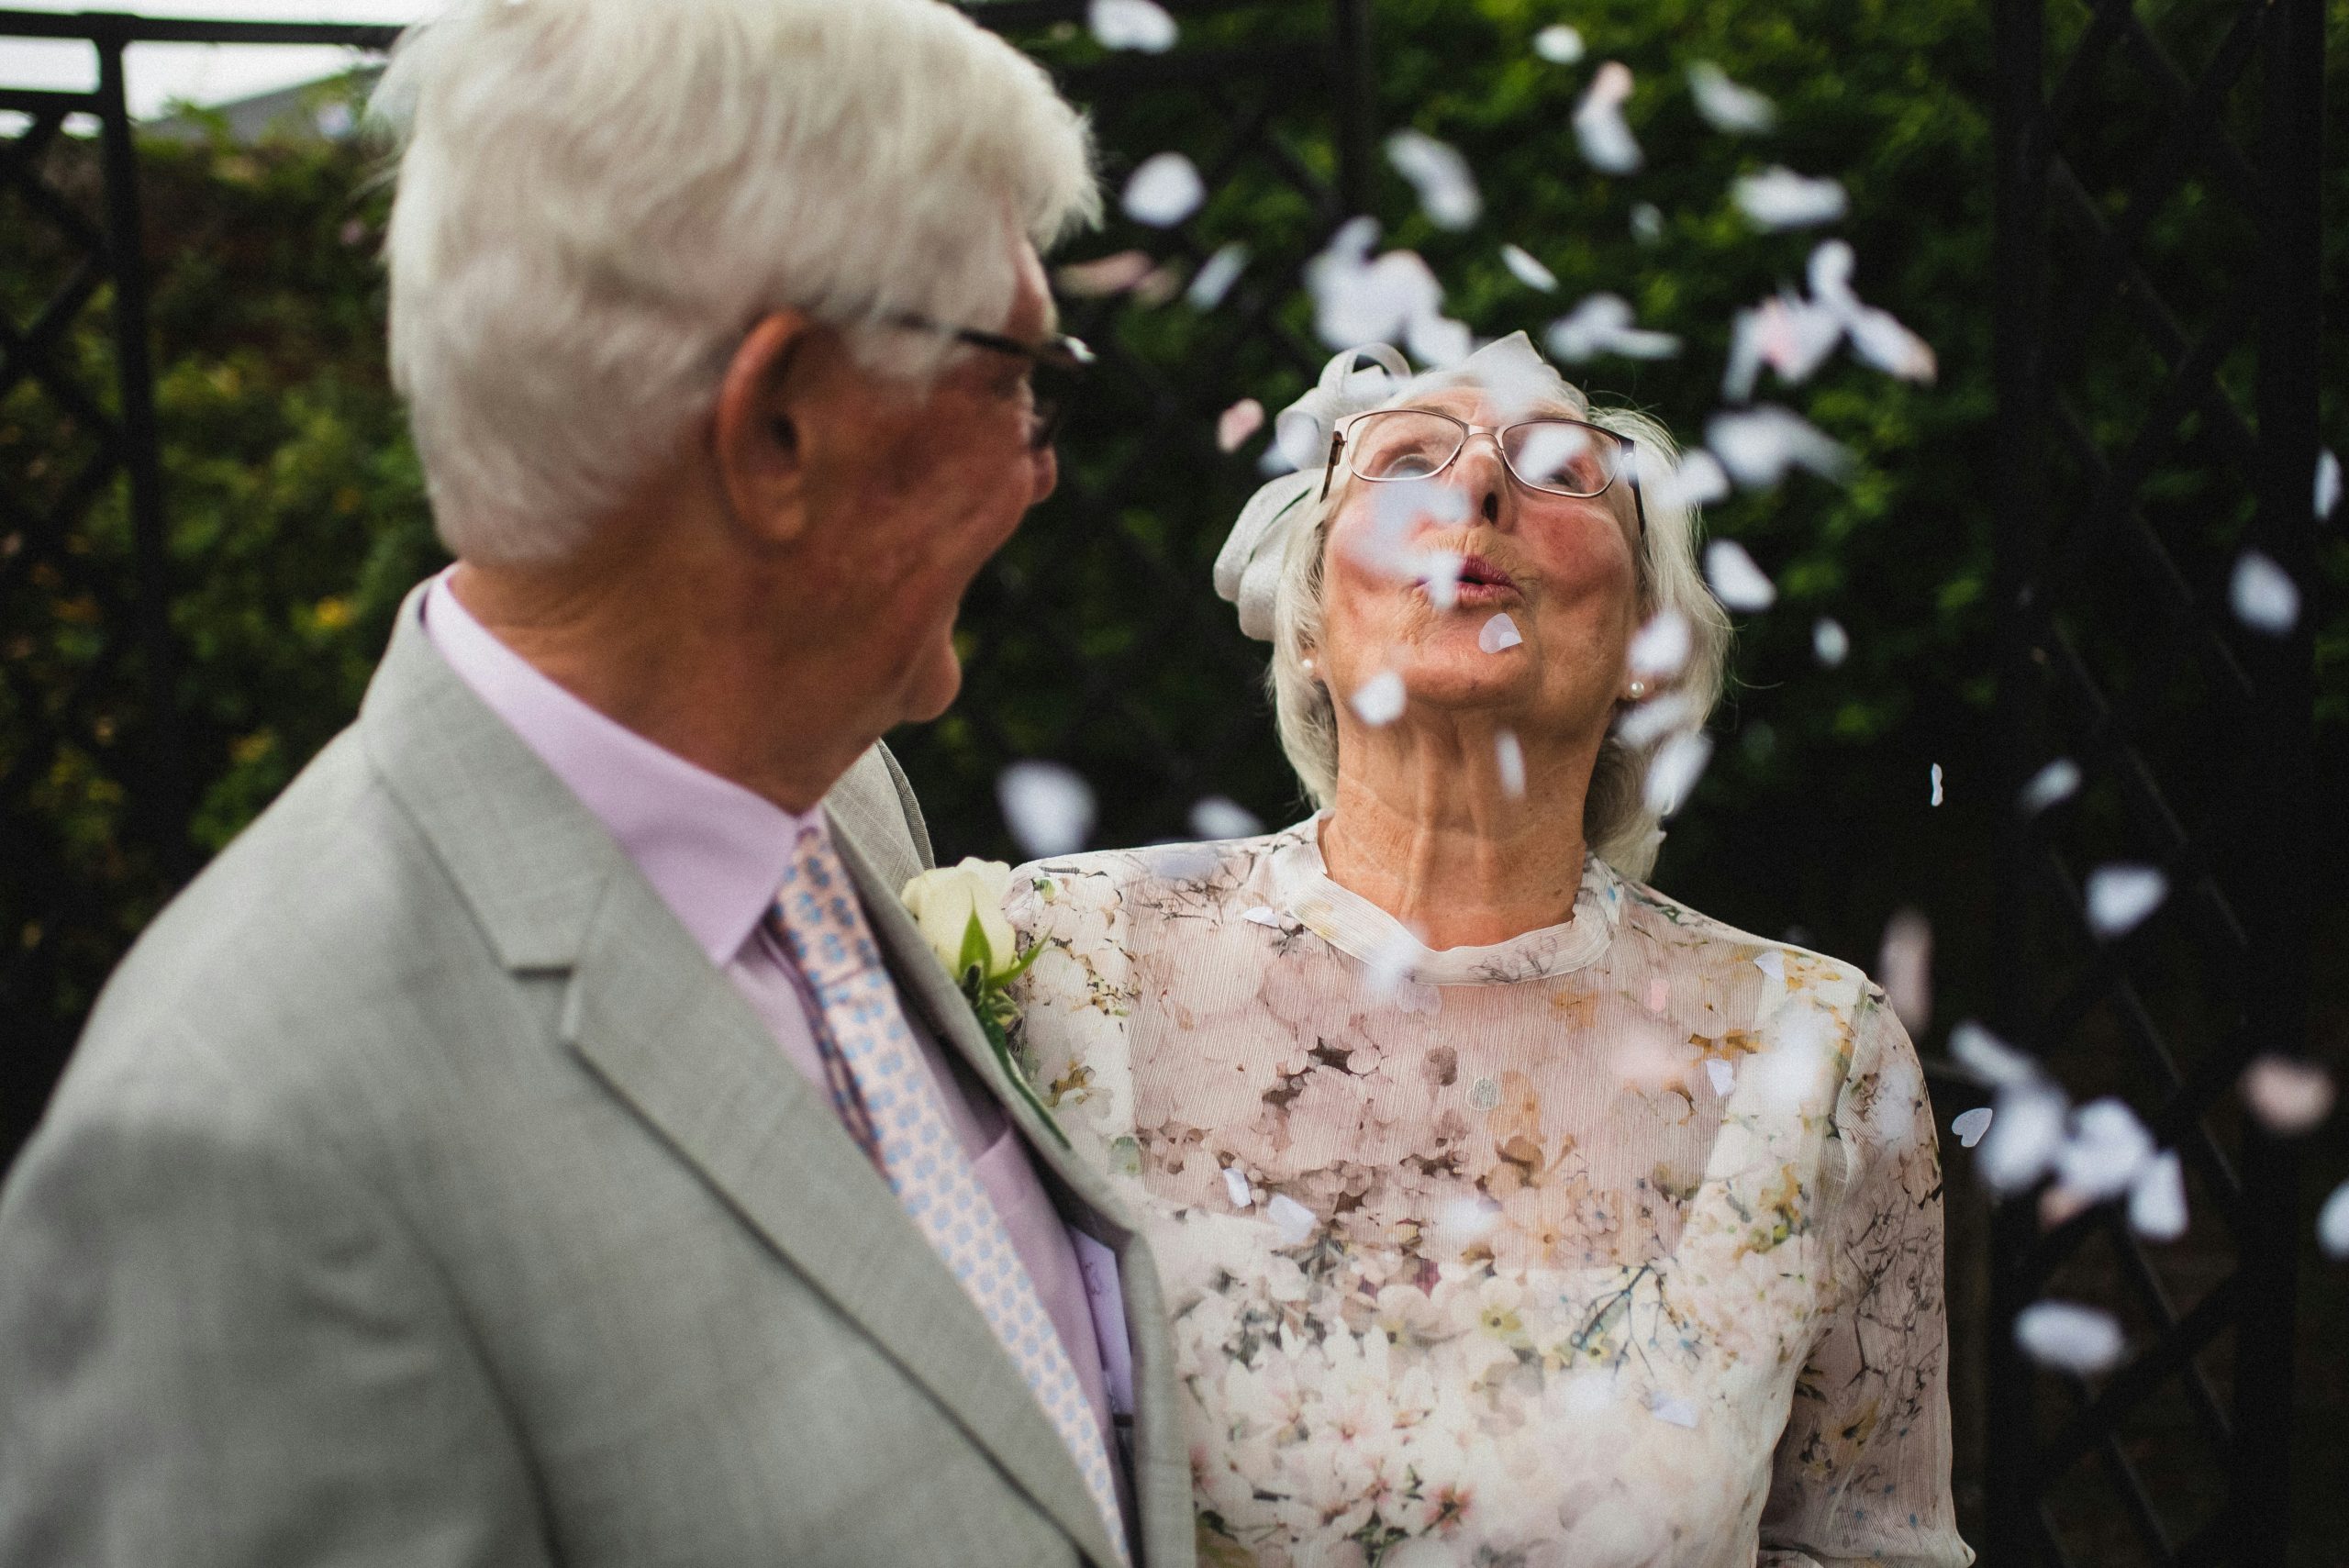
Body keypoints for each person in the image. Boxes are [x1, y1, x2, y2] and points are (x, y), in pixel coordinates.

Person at [0, 3, 1192, 1564]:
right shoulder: (244, 1146)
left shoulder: (833, 798)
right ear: (780, 427)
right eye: (1019, 376)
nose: (1041, 462)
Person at [1002, 336, 1972, 1567]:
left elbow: (1869, 1546)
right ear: (1307, 627)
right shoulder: (1062, 962)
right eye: (1407, 460)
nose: (1477, 491)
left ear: (1641, 649)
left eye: (1562, 468)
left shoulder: (1813, 1052)